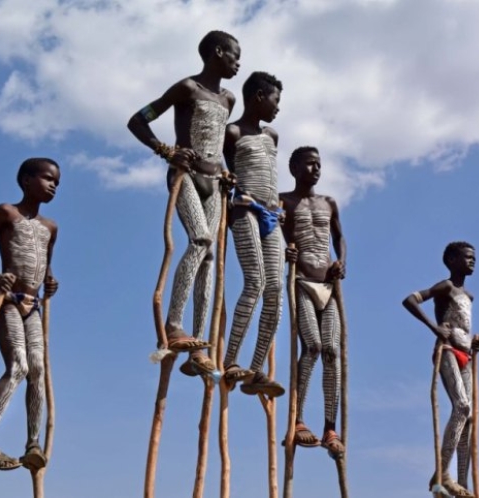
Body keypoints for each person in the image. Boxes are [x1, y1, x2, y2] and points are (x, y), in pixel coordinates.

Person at [127, 30, 240, 375]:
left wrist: (228, 173)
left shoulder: (229, 99)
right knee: (200, 241)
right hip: (186, 176)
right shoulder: (187, 89)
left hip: (214, 183)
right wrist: (166, 151)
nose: (238, 63)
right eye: (234, 55)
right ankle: (174, 324)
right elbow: (138, 120)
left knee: (210, 257)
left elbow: (219, 144)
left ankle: (198, 347)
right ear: (217, 52)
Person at [0, 158, 60, 471]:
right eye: (47, 178)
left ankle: (33, 443)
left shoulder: (50, 228)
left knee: (38, 369)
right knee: (18, 366)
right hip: (8, 300)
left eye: (56, 182)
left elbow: (45, 265)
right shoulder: (6, 212)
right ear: (26, 180)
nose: (53, 186)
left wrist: (50, 281)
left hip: (34, 305)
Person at [402, 241, 479, 497]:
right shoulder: (445, 287)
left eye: (474, 257)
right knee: (462, 406)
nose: (472, 261)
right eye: (467, 257)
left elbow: (463, 328)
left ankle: (461, 482)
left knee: (469, 419)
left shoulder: (469, 296)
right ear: (451, 260)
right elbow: (410, 300)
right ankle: (442, 472)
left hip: (465, 354)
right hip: (447, 351)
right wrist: (434, 327)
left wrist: (474, 344)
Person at [219, 71, 284, 391]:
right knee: (255, 282)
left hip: (272, 214)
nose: (278, 107)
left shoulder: (271, 136)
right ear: (259, 96)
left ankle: (255, 371)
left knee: (276, 290)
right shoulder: (231, 132)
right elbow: (226, 168)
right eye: (275, 100)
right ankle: (231, 361)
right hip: (246, 209)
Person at [280, 146, 346, 455]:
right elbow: (272, 232)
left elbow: (339, 237)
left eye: (318, 164)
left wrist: (341, 261)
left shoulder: (328, 203)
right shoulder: (284, 201)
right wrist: (285, 252)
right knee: (313, 346)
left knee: (332, 350)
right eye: (309, 164)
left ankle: (330, 427)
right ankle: (298, 419)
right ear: (294, 169)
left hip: (328, 285)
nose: (316, 169)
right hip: (302, 281)